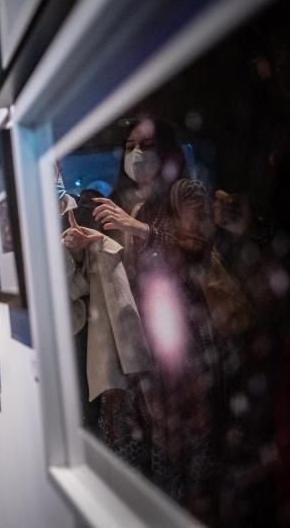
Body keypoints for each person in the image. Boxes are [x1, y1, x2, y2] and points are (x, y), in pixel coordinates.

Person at [64, 115, 226, 520]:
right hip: (130, 340)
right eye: (130, 145)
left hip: (178, 341)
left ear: (168, 151)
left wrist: (134, 226)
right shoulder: (117, 199)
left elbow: (196, 247)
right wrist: (94, 243)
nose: (136, 154)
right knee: (130, 457)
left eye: (147, 146)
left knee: (181, 453)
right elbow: (121, 271)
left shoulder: (184, 193)